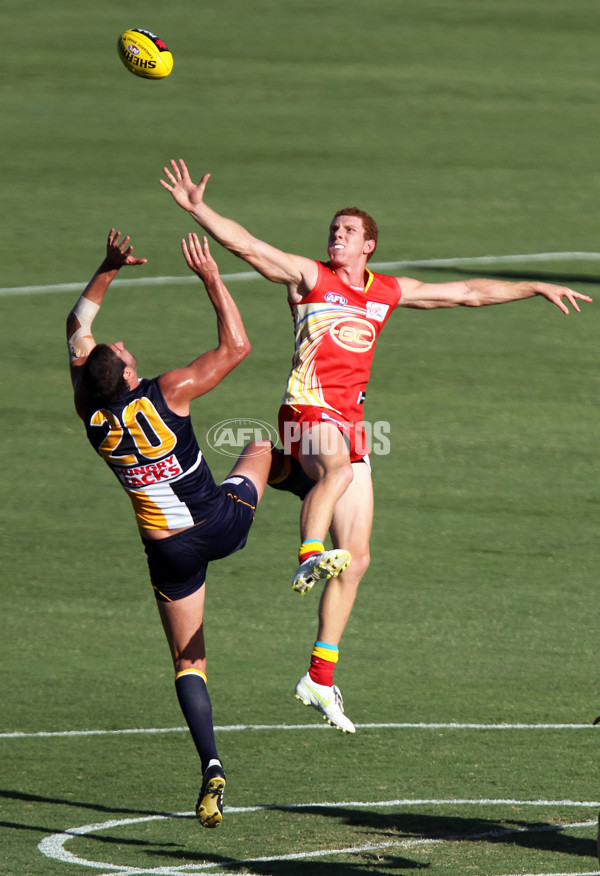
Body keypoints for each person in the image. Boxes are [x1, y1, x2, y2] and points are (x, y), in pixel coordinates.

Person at [160, 158, 592, 734]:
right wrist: (199, 209)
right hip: (305, 412)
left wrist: (532, 286)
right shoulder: (309, 278)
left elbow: (464, 292)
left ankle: (318, 676)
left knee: (358, 558)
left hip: (350, 423)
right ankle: (308, 553)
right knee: (335, 471)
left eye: (347, 231)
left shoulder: (387, 291)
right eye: (332, 229)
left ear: (369, 246)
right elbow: (250, 246)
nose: (335, 236)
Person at [67, 228, 276, 827]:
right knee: (262, 447)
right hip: (219, 522)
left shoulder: (90, 413)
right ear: (130, 377)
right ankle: (319, 523)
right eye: (126, 353)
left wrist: (105, 270)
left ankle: (211, 764)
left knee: (190, 663)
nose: (127, 346)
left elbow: (74, 334)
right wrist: (212, 277)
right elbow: (237, 347)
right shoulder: (170, 391)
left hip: (169, 554)